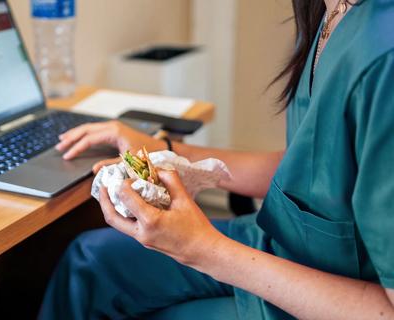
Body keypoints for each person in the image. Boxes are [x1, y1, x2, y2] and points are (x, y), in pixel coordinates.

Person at [39, 0, 394, 318]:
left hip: (332, 294)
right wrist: (170, 150)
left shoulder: (383, 58)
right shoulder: (332, 11)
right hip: (283, 246)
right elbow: (317, 166)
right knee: (88, 263)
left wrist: (202, 249)